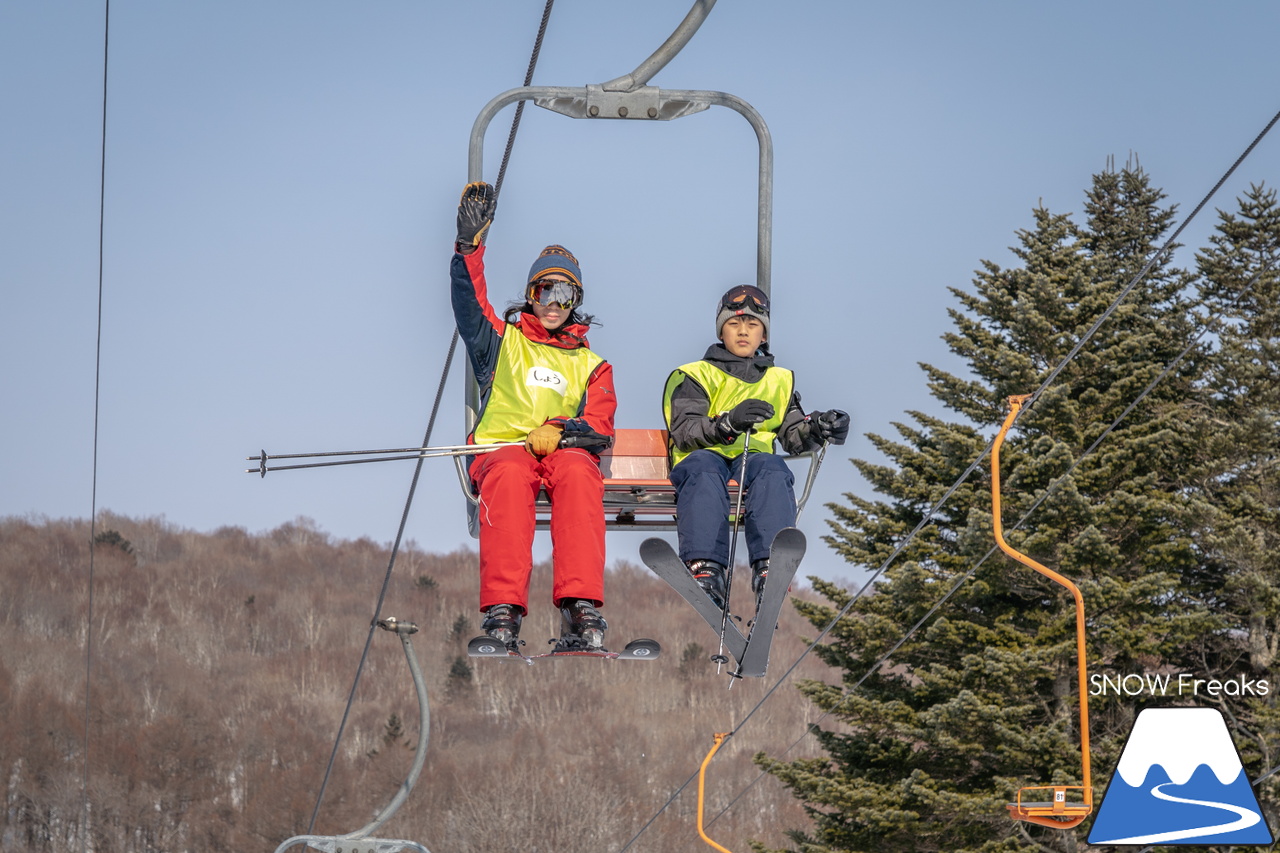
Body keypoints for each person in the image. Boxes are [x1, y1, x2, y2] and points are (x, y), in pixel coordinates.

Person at [450, 181, 616, 649]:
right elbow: (468, 302)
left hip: (562, 452)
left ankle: (579, 605)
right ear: (531, 293)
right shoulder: (502, 342)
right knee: (506, 474)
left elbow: (599, 425)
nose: (555, 305)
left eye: (566, 295)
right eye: (547, 291)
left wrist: (562, 430)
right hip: (503, 449)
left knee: (580, 475)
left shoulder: (591, 365)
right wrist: (468, 248)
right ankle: (503, 609)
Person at [661, 284, 849, 609]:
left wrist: (818, 428)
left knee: (774, 468)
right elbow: (685, 428)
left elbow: (793, 435)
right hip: (705, 456)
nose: (743, 332)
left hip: (753, 461)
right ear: (722, 331)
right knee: (704, 469)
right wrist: (728, 423)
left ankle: (769, 566)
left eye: (752, 325)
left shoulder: (778, 381)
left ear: (764, 335)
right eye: (734, 324)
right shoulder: (696, 375)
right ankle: (706, 566)